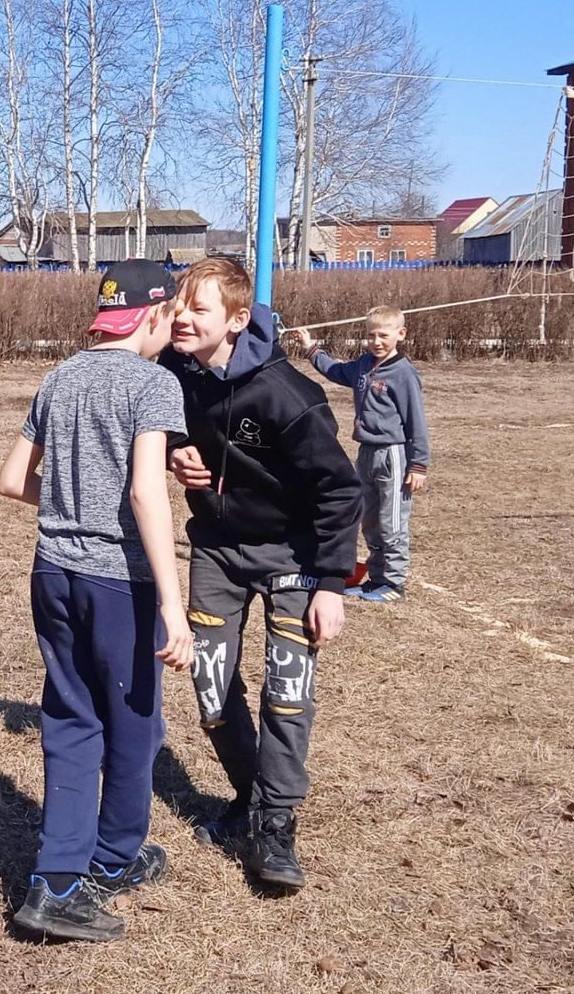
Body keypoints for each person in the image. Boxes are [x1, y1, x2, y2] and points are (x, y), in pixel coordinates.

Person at [0, 259, 194, 944]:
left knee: (74, 720)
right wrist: (173, 604)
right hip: (120, 584)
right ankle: (105, 862)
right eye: (171, 318)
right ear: (153, 315)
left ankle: (60, 875)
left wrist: (65, 509)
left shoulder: (59, 377)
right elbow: (147, 494)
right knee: (134, 727)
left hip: (52, 573)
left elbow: (11, 479)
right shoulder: (155, 383)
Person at [158, 258, 359, 894]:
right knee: (211, 690)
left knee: (286, 693)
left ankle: (275, 826)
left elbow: (339, 490)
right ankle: (249, 797)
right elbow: (162, 433)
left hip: (293, 558)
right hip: (217, 550)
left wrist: (330, 583)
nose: (183, 319)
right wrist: (173, 452)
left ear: (239, 320)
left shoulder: (288, 395)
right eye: (180, 306)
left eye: (201, 309)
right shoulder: (173, 373)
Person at [286, 307, 429, 603]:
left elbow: (416, 420)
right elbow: (336, 371)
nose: (376, 341)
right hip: (366, 453)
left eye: (383, 336)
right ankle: (376, 578)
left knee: (392, 521)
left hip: (393, 455)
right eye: (371, 336)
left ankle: (394, 582)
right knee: (369, 519)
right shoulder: (364, 365)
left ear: (400, 335)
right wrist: (311, 347)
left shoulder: (403, 374)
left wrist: (418, 464)